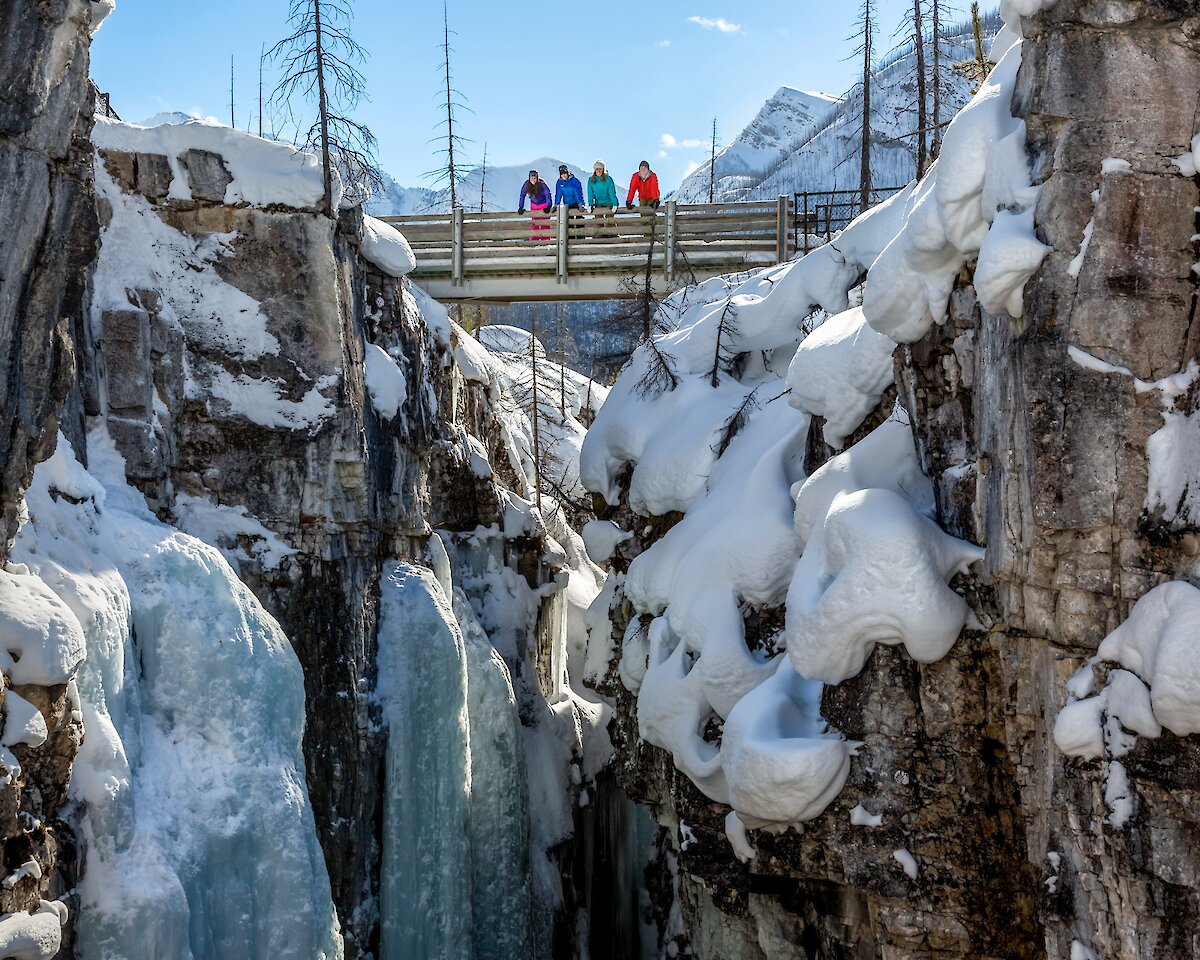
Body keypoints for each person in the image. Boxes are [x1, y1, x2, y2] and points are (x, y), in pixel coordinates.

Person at [517, 170, 553, 242]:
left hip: (543, 205)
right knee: (534, 224)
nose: (533, 180)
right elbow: (522, 195)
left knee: (544, 224)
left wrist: (549, 206)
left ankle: (545, 241)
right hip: (534, 206)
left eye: (534, 178)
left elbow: (547, 193)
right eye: (531, 178)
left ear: (537, 178)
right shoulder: (527, 184)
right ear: (529, 178)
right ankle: (534, 241)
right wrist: (521, 207)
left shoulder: (542, 184)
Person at [587, 160, 619, 236]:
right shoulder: (591, 180)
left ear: (603, 169)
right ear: (594, 170)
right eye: (597, 169)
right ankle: (600, 235)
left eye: (600, 169)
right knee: (598, 219)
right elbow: (590, 193)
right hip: (598, 202)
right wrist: (590, 204)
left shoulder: (608, 179)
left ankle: (613, 234)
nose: (598, 170)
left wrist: (614, 204)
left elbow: (612, 192)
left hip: (608, 201)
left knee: (609, 219)